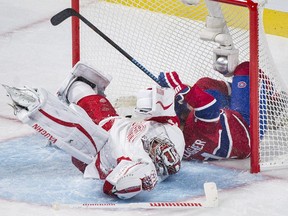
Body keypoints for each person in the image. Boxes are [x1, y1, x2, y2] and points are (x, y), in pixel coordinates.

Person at [3, 62, 185, 200]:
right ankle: (74, 88)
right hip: (111, 121)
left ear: (157, 162)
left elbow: (112, 186)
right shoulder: (174, 135)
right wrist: (170, 90)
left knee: (79, 130)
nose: (158, 143)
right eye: (162, 144)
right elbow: (164, 108)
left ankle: (35, 110)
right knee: (88, 95)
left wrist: (136, 184)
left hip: (98, 152)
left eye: (158, 150)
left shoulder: (143, 165)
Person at [157, 61, 252, 161]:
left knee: (202, 90)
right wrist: (179, 88)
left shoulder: (176, 142)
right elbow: (210, 106)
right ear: (184, 114)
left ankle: (240, 90)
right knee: (245, 68)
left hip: (231, 138)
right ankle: (246, 89)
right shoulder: (197, 123)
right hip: (249, 128)